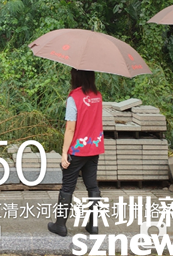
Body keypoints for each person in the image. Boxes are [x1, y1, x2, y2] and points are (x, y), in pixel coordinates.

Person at [48, 68, 103, 237]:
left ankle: (60, 225)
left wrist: (64, 152)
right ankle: (93, 225)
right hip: (93, 148)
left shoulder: (74, 98)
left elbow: (70, 129)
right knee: (92, 185)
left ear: (76, 76)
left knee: (68, 187)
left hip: (77, 150)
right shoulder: (98, 96)